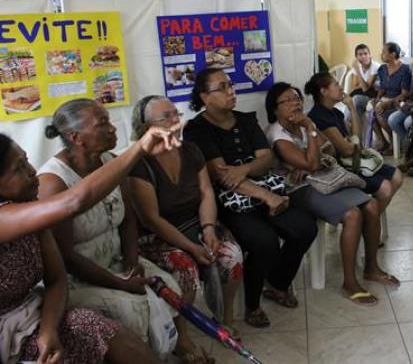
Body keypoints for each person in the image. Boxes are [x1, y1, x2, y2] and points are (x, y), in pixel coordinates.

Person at [37, 99, 212, 364]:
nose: (112, 128)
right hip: (79, 276)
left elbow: (129, 220)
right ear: (76, 137)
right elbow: (65, 257)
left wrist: (131, 261)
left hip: (119, 260)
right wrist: (120, 283)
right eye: (102, 124)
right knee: (133, 308)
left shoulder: (111, 161)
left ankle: (179, 343)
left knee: (171, 287)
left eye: (109, 119)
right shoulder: (53, 182)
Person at [0, 127, 179, 364]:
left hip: (34, 314)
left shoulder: (31, 212)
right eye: (18, 169)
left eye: (27, 162)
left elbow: (56, 280)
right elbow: (75, 202)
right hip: (6, 332)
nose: (32, 172)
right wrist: (139, 148)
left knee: (108, 334)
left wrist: (48, 330)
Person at [183, 68, 317, 329]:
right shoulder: (197, 130)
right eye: (221, 87)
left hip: (264, 190)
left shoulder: (246, 120)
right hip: (230, 204)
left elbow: (266, 159)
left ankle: (277, 283)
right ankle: (252, 305)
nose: (231, 91)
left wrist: (244, 169)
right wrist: (265, 195)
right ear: (204, 96)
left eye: (230, 85)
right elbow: (222, 176)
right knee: (264, 242)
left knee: (305, 228)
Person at [266, 82, 398, 303]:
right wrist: (310, 135)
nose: (294, 104)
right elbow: (312, 161)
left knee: (372, 206)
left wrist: (308, 155)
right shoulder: (276, 133)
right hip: (300, 189)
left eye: (296, 98)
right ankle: (349, 281)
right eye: (286, 101)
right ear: (274, 109)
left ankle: (371, 267)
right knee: (352, 214)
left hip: (326, 179)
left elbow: (329, 148)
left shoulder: (301, 124)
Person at [127, 96, 245, 335]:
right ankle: (181, 336)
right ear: (147, 127)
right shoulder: (139, 163)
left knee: (232, 257)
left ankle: (225, 316)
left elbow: (206, 192)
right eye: (166, 117)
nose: (175, 121)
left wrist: (209, 228)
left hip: (196, 224)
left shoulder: (191, 150)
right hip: (158, 235)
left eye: (176, 115)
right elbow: (151, 219)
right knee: (186, 269)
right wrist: (192, 247)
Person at [305, 71, 403, 284]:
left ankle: (370, 227)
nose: (341, 88)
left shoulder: (336, 112)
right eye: (335, 85)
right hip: (345, 169)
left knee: (397, 175)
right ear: (323, 91)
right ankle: (369, 227)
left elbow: (356, 136)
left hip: (358, 162)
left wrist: (351, 108)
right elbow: (347, 149)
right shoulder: (319, 116)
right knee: (385, 188)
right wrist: (354, 143)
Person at [373, 42, 412, 154]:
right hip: (385, 99)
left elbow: (405, 93)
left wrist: (388, 103)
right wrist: (378, 98)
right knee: (371, 112)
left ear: (393, 54)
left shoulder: (405, 69)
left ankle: (394, 143)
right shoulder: (382, 69)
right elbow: (382, 88)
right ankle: (384, 141)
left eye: (384, 52)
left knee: (379, 113)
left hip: (399, 102)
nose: (381, 54)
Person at [349, 43, 380, 121]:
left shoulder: (375, 66)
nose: (363, 56)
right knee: (351, 103)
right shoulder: (358, 66)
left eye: (365, 54)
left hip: (374, 97)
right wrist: (365, 84)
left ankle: (351, 125)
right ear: (356, 57)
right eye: (360, 54)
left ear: (370, 55)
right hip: (361, 94)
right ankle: (352, 127)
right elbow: (353, 87)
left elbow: (365, 89)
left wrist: (357, 71)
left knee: (356, 99)